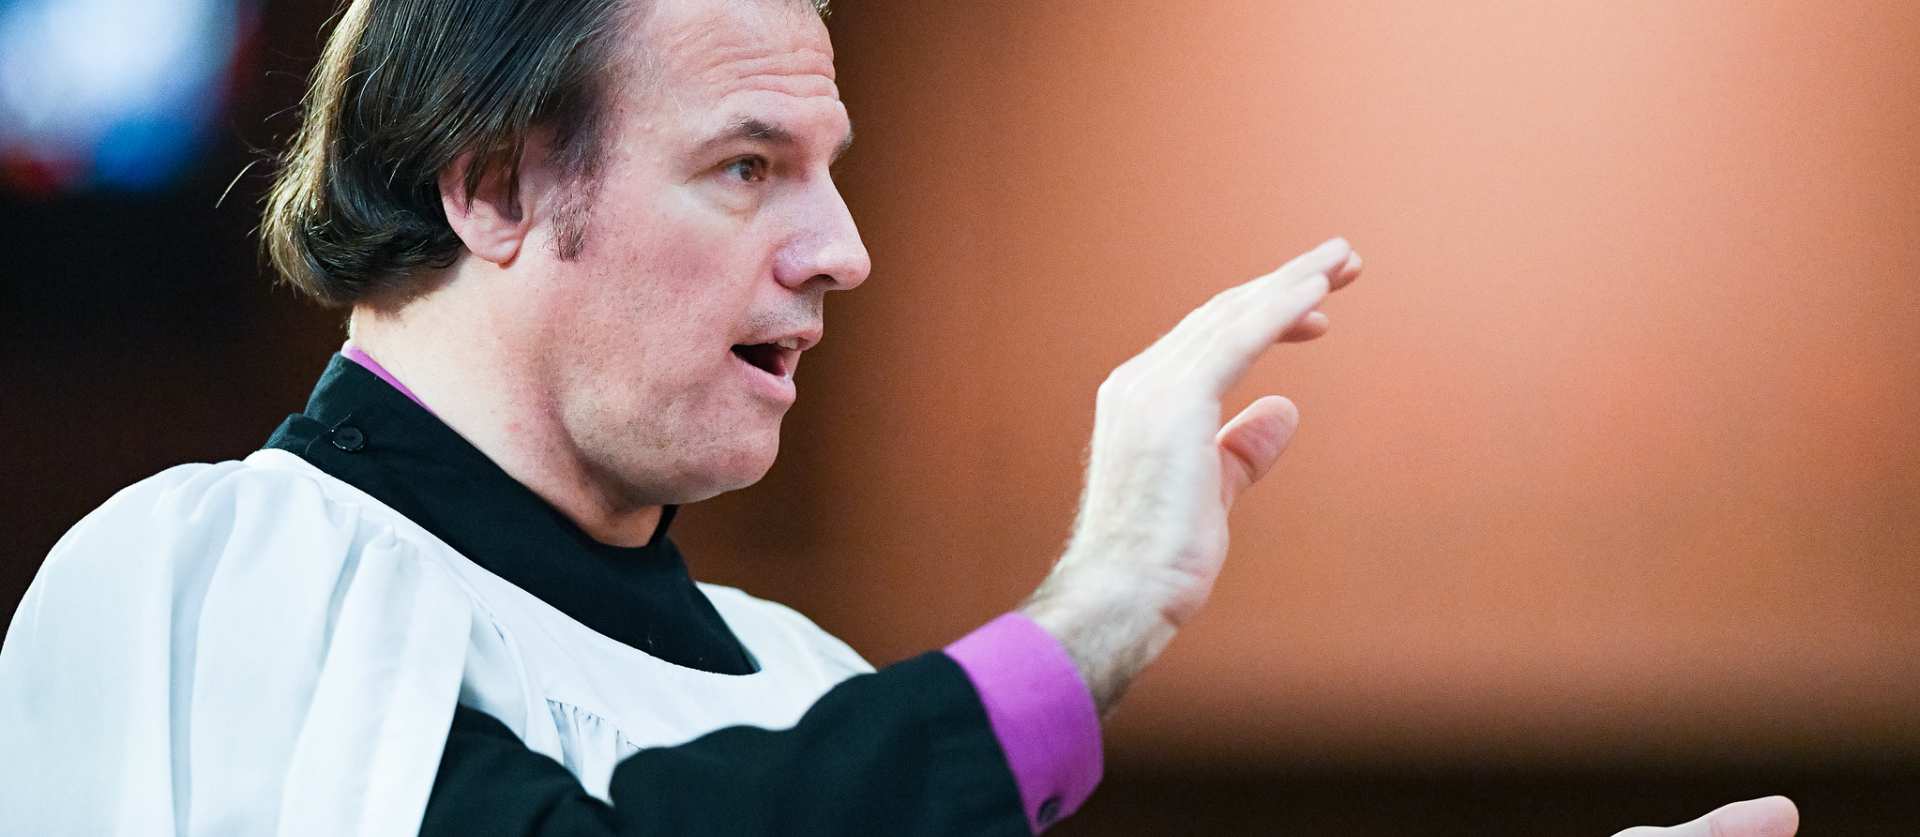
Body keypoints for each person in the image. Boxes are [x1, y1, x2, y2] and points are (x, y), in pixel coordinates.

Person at [0, 0, 1801, 835]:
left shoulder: (808, 691)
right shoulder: (196, 571)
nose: (843, 250)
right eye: (746, 166)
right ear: (488, 187)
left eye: (831, 172)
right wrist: (1087, 620)